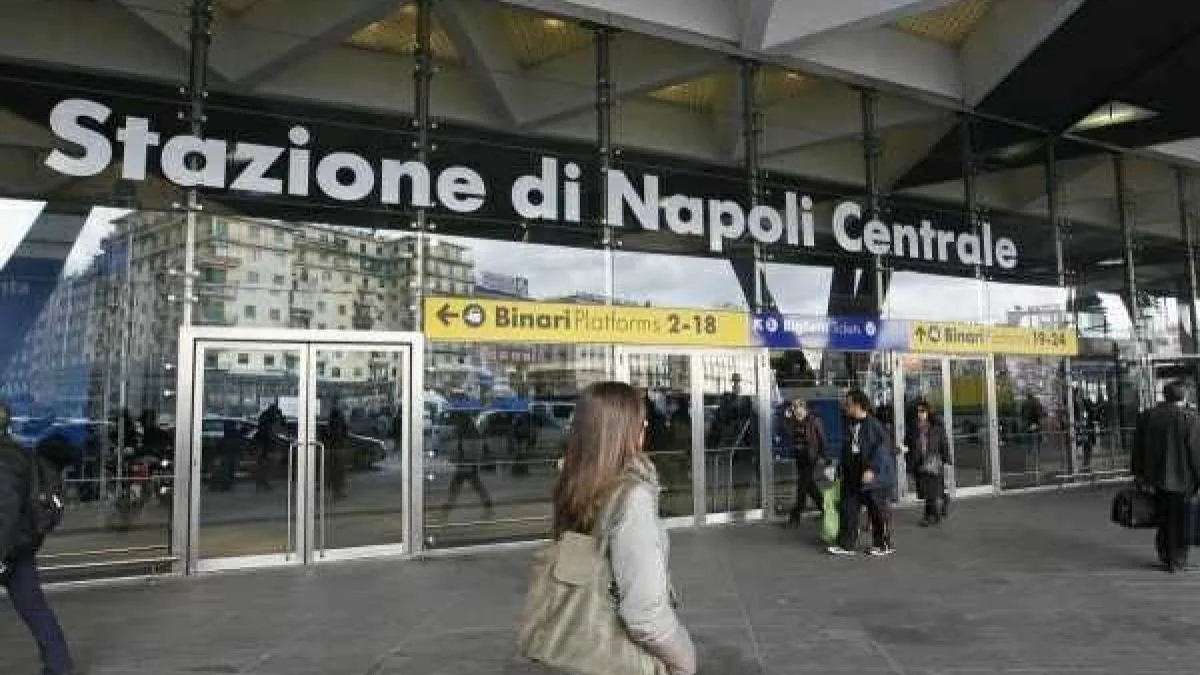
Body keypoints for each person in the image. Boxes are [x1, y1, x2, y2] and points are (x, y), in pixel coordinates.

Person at [552, 382, 696, 675]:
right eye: (642, 422)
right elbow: (644, 616)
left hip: (579, 643)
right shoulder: (632, 497)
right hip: (622, 655)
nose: (646, 428)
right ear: (625, 433)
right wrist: (684, 658)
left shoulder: (575, 486)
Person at [0, 401, 75, 675]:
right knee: (36, 611)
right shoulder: (17, 452)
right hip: (19, 549)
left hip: (6, 549)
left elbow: (4, 511)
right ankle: (59, 666)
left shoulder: (4, 459)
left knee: (35, 610)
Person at [1132, 380, 1200, 573]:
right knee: (1179, 520)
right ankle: (1176, 559)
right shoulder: (1189, 419)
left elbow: (1137, 448)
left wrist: (1139, 473)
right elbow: (1196, 453)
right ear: (1183, 396)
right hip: (1181, 480)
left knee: (1163, 518)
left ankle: (1164, 553)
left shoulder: (1148, 417)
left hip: (1155, 478)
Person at [828, 389, 896, 557]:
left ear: (858, 405)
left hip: (871, 475)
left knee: (876, 510)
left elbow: (883, 449)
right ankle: (846, 544)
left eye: (848, 404)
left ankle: (882, 545)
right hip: (853, 472)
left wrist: (872, 469)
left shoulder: (873, 425)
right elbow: (847, 449)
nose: (845, 406)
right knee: (848, 508)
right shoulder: (849, 423)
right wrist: (839, 468)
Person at [904, 399, 951, 527]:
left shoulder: (937, 427)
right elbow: (907, 444)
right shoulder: (912, 427)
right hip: (918, 462)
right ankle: (942, 501)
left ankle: (929, 516)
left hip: (932, 462)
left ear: (928, 412)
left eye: (922, 411)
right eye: (918, 411)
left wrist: (947, 460)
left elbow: (944, 443)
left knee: (929, 491)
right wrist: (908, 461)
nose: (920, 414)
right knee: (927, 491)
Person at [784, 398, 828, 525]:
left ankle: (795, 515)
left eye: (797, 407)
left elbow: (822, 439)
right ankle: (825, 508)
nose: (795, 410)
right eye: (793, 408)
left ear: (804, 408)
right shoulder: (793, 421)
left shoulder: (814, 420)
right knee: (809, 485)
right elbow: (787, 433)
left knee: (802, 486)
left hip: (811, 457)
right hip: (799, 456)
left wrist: (825, 456)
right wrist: (787, 419)